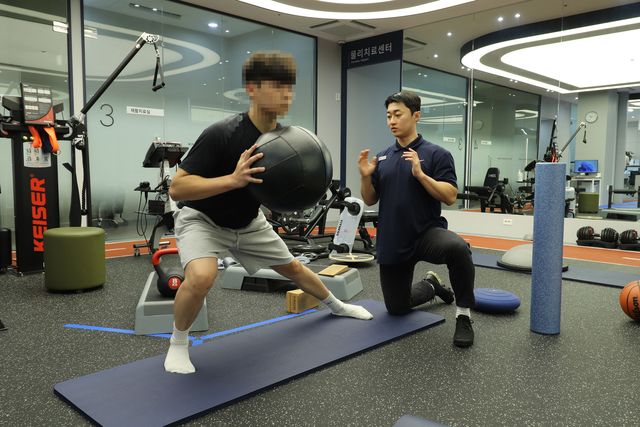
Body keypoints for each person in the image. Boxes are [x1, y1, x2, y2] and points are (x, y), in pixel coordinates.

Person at [164, 52, 373, 374]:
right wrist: (233, 179)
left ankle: (337, 306)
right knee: (202, 277)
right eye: (277, 86)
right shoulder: (223, 133)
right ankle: (178, 345)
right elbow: (178, 188)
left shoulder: (285, 140)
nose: (286, 94)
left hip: (248, 222)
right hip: (203, 219)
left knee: (294, 268)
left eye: (289, 88)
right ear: (252, 89)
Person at [357, 90, 476, 347]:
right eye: (388, 115)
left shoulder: (437, 154)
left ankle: (464, 315)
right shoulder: (383, 157)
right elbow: (369, 199)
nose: (392, 121)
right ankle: (431, 285)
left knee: (458, 248)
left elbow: (450, 196)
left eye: (398, 114)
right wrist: (366, 177)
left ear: (416, 116)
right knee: (396, 308)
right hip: (393, 238)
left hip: (426, 233)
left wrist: (421, 175)